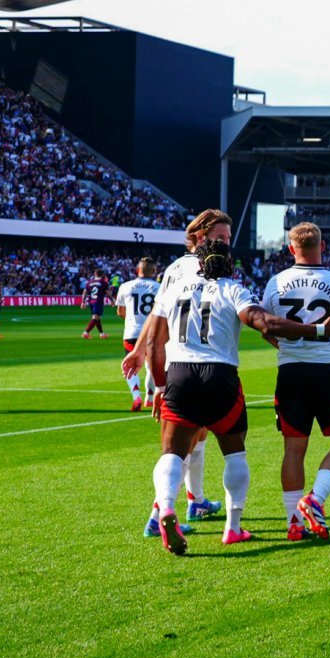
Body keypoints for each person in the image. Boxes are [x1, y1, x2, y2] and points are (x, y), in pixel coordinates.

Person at [125, 237, 330, 554]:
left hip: (179, 375)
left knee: (172, 452)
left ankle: (165, 507)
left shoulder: (174, 288)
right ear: (228, 261)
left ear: (199, 262)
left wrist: (159, 387)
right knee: (234, 453)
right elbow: (267, 323)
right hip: (220, 378)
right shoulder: (233, 289)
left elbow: (154, 342)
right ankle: (232, 528)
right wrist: (318, 331)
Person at [132, 208, 234, 523]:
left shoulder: (175, 267)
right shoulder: (202, 268)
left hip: (170, 362)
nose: (227, 243)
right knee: (182, 443)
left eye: (228, 238)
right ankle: (159, 512)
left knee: (194, 438)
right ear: (200, 236)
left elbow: (157, 314)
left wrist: (138, 352)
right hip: (190, 363)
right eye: (220, 237)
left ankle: (196, 500)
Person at [261, 222, 330, 542]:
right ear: (323, 246)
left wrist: (287, 348)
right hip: (327, 369)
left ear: (291, 249)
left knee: (293, 449)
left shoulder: (276, 282)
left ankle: (293, 522)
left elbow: (266, 328)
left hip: (290, 372)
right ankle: (315, 499)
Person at [114, 258, 159, 409]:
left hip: (131, 333)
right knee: (150, 365)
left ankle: (136, 395)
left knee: (131, 365)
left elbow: (120, 312)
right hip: (152, 332)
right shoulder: (160, 287)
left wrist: (133, 320)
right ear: (154, 271)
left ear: (137, 270)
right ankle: (150, 397)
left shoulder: (125, 286)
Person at [81, 270, 110, 338]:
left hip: (91, 302)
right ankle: (86, 332)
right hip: (98, 301)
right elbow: (108, 293)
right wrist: (112, 300)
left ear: (95, 274)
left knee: (97, 318)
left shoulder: (89, 282)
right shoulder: (104, 282)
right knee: (95, 318)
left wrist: (83, 302)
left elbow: (84, 292)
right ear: (102, 274)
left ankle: (102, 334)